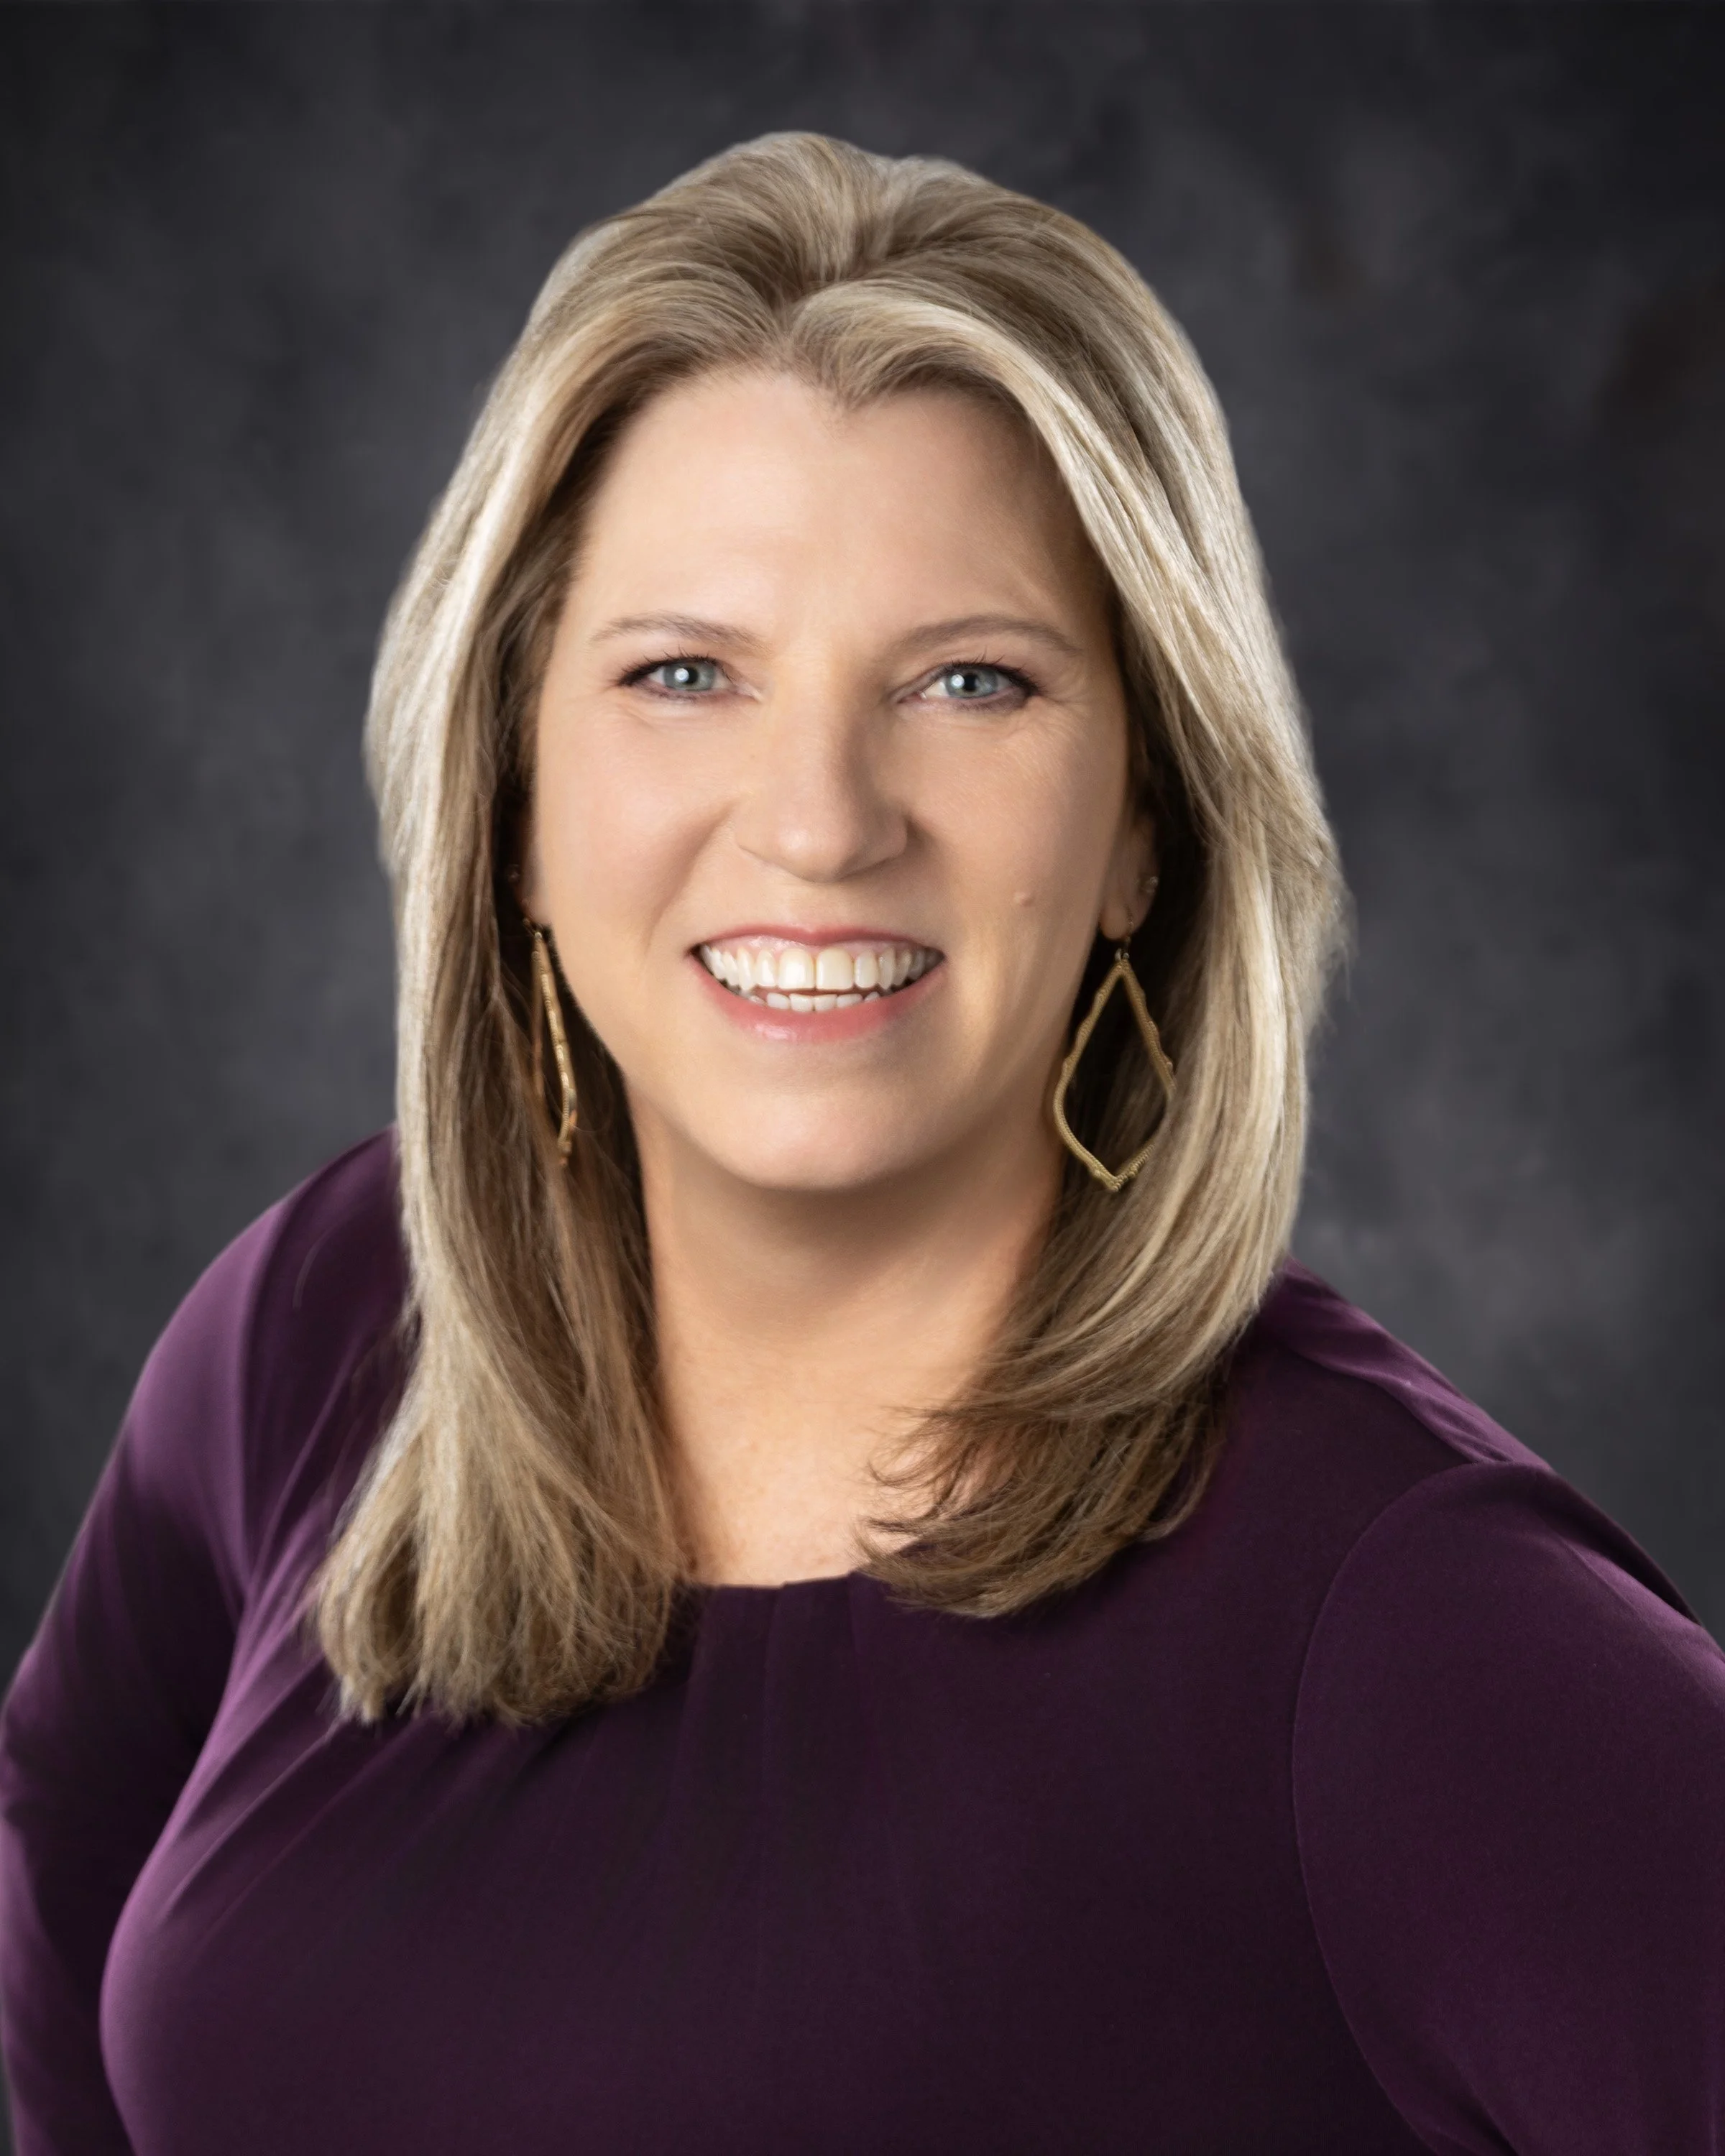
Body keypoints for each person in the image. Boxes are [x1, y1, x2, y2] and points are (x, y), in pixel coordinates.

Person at [2, 132, 1722, 2156]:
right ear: (512, 804)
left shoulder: (1406, 1631)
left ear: (1145, 829)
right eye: (683, 676)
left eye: (970, 682)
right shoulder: (321, 1333)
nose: (821, 819)